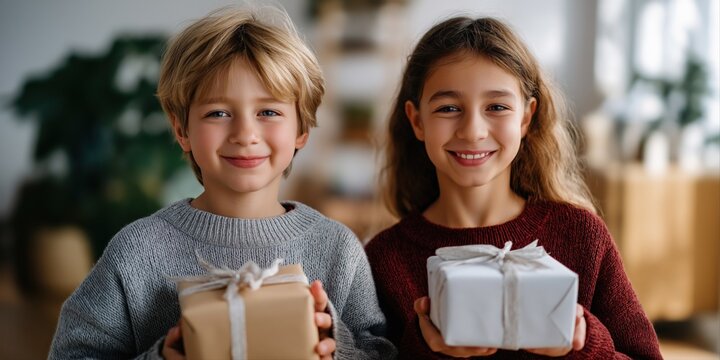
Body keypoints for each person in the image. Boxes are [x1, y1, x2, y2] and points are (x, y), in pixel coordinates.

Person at [49, 5, 396, 360]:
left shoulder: (337, 249)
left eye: (269, 112)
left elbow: (379, 352)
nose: (245, 134)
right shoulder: (136, 253)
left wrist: (335, 346)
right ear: (182, 129)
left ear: (302, 129)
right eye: (218, 113)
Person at [365, 16, 662, 359]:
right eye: (448, 108)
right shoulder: (385, 259)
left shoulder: (582, 235)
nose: (473, 130)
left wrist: (580, 346)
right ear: (417, 120)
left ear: (525, 117)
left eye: (497, 107)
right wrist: (427, 347)